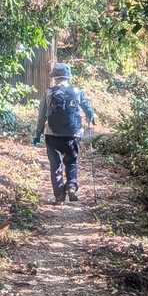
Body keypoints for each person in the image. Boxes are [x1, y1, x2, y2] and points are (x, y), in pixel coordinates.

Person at [32, 62, 95, 203]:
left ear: (54, 77)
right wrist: (91, 116)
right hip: (73, 134)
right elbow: (88, 109)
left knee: (55, 166)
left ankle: (59, 196)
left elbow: (41, 117)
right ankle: (71, 186)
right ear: (68, 77)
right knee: (71, 162)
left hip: (52, 135)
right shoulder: (78, 91)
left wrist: (37, 134)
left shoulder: (48, 93)